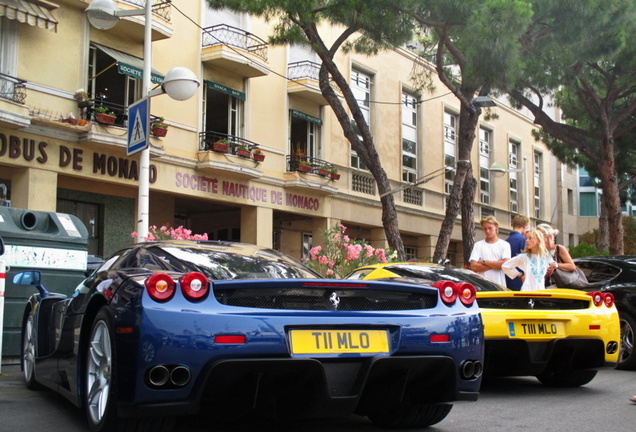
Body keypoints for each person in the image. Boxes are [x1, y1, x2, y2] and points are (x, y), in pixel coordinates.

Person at [469, 216, 511, 285]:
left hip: (499, 285)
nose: (487, 231)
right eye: (485, 229)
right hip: (483, 285)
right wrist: (496, 264)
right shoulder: (478, 245)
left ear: (496, 227)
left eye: (490, 228)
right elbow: (474, 267)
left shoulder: (505, 245)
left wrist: (484, 261)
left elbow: (505, 264)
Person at [505, 214, 530, 291]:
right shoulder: (524, 240)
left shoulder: (505, 241)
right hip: (520, 278)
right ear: (524, 226)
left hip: (507, 277)